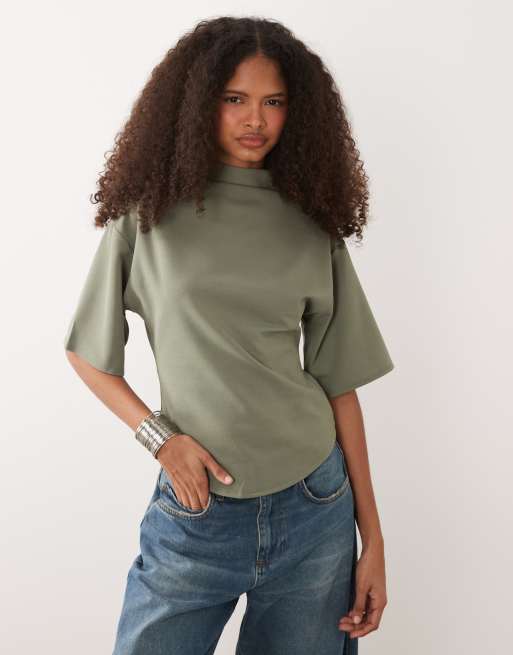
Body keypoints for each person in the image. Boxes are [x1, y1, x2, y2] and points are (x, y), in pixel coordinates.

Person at [64, 16, 394, 655]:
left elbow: (339, 385)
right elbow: (88, 354)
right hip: (197, 514)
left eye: (274, 102)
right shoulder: (148, 217)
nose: (255, 120)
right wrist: (161, 440)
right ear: (197, 104)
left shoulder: (312, 222)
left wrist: (373, 538)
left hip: (315, 504)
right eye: (235, 98)